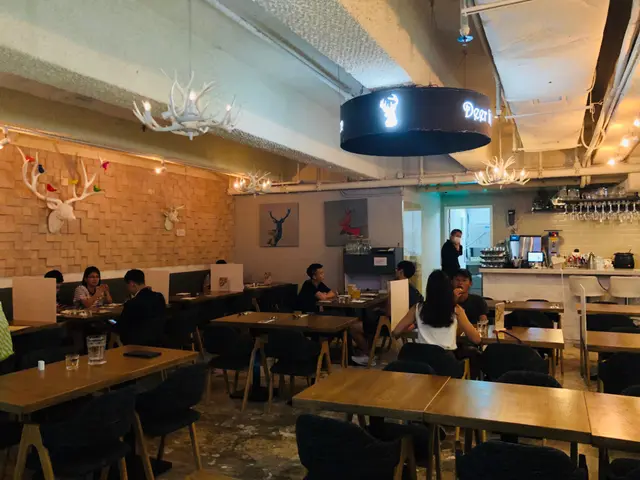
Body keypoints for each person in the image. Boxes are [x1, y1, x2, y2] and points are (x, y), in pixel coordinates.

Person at [350, 261, 423, 366]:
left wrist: (381, 307)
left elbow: (389, 312)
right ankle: (370, 350)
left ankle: (368, 355)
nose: (395, 271)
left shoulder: (397, 287)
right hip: (406, 324)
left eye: (397, 269)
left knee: (353, 327)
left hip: (391, 325)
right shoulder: (414, 290)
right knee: (371, 319)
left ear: (401, 271)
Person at [392, 269, 481, 349]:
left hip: (423, 357)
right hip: (445, 359)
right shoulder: (456, 309)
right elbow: (476, 339)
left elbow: (396, 331)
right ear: (448, 288)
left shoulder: (417, 308)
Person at [115, 269, 166, 346]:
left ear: (132, 284)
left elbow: (120, 327)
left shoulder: (132, 303)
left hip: (136, 344)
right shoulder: (159, 297)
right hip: (158, 340)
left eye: (127, 285)